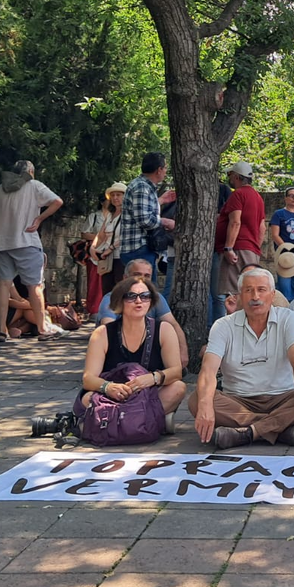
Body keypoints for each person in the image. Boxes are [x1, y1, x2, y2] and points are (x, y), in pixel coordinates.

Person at [189, 267, 294, 449]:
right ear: (240, 295)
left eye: (261, 290)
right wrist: (204, 405)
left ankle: (247, 433)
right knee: (196, 401)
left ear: (272, 295)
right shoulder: (223, 325)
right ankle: (278, 428)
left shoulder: (289, 318)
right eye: (248, 290)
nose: (255, 296)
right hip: (238, 400)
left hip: (283, 398)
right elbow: (208, 370)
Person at [78, 275, 186, 430]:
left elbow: (176, 372)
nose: (139, 301)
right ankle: (149, 421)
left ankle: (111, 423)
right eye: (131, 296)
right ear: (119, 301)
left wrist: (152, 378)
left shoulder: (164, 329)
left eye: (145, 296)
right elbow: (88, 379)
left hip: (148, 394)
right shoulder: (102, 333)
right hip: (113, 397)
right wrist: (108, 387)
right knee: (87, 398)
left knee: (178, 388)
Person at [0, 159, 63, 342]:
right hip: (26, 241)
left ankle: (2, 330)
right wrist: (39, 219)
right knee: (34, 286)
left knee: (4, 284)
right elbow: (57, 201)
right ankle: (42, 328)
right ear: (31, 171)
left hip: (1, 244)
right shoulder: (34, 185)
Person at [96, 258, 190, 370]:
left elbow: (173, 324)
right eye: (137, 274)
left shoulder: (157, 298)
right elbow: (108, 327)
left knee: (177, 385)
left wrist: (183, 352)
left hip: (148, 359)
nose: (142, 279)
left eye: (147, 276)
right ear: (125, 278)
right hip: (118, 360)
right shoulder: (111, 299)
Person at [215, 160, 266, 301]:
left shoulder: (238, 195)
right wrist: (255, 248)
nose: (228, 178)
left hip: (237, 249)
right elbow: (262, 228)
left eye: (230, 174)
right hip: (251, 250)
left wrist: (228, 248)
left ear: (237, 177)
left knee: (234, 293)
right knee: (248, 290)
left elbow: (235, 221)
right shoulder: (258, 198)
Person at [121, 152, 175, 270]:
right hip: (138, 248)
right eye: (165, 168)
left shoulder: (144, 186)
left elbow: (143, 210)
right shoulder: (142, 187)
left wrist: (160, 201)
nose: (166, 171)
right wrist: (166, 222)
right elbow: (145, 220)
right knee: (142, 287)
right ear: (159, 170)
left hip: (140, 249)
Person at [91, 182, 126, 289]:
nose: (115, 198)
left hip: (121, 256)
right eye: (113, 195)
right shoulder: (109, 214)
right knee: (106, 289)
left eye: (118, 195)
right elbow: (101, 235)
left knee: (120, 288)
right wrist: (93, 248)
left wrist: (111, 248)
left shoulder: (129, 214)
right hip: (107, 258)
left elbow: (126, 236)